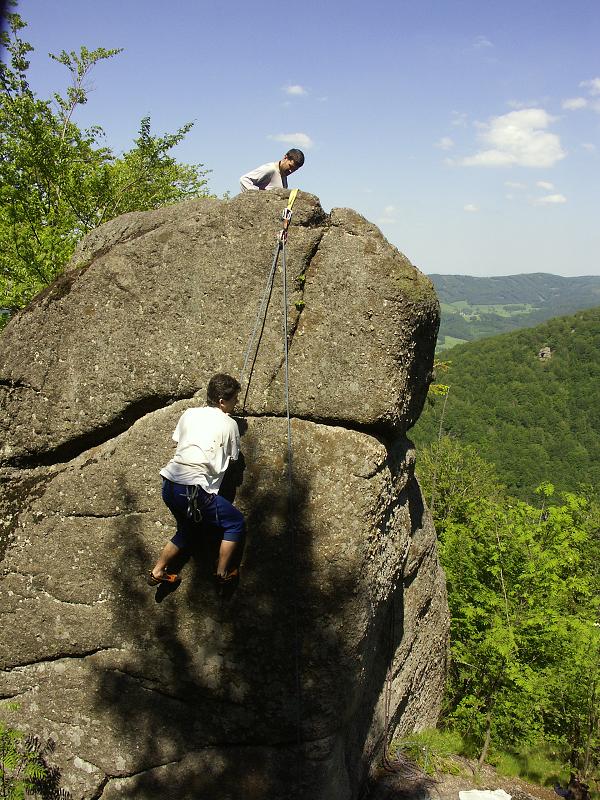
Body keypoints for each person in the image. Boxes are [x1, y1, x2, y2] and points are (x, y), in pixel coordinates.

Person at [147, 373, 245, 589]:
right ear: (222, 401)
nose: (237, 402)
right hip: (192, 490)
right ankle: (222, 573)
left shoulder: (189, 414)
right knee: (235, 522)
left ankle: (158, 571)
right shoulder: (229, 424)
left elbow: (179, 439)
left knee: (189, 530)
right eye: (234, 398)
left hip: (170, 484)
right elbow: (234, 457)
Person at [239, 148, 304, 192]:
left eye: (294, 170)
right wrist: (259, 196)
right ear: (285, 158)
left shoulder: (283, 177)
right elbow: (244, 180)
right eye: (290, 166)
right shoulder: (270, 169)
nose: (291, 171)